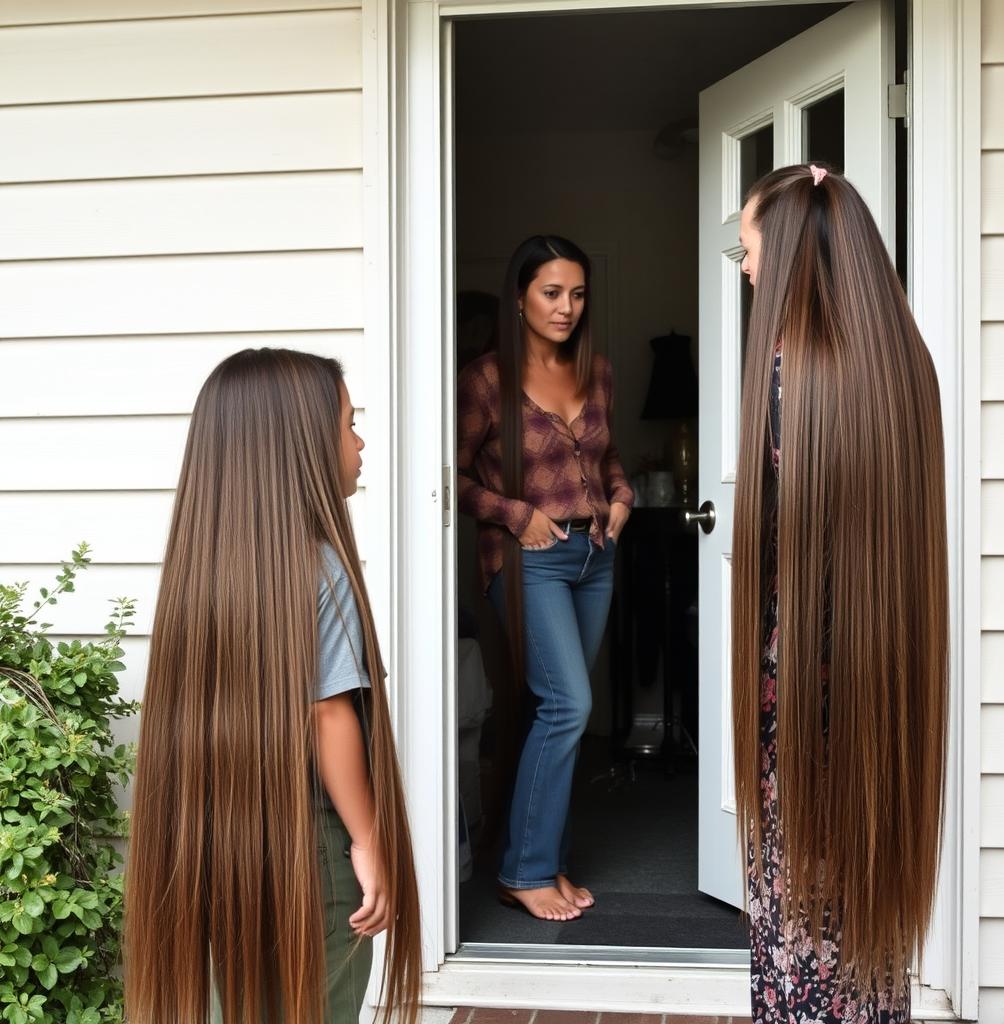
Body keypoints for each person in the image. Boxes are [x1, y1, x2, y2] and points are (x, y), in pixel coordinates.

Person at [123, 349, 422, 1024]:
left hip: (227, 844)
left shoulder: (203, 574)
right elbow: (326, 712)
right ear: (301, 445)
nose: (360, 441)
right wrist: (370, 843)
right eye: (349, 423)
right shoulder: (320, 567)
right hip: (311, 851)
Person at [732, 164, 948, 1022]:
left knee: (799, 935)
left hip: (804, 714)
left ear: (785, 254)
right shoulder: (905, 368)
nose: (746, 271)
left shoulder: (788, 375)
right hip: (881, 690)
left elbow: (790, 564)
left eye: (748, 251)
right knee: (861, 940)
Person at [457, 235, 634, 922]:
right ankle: (522, 870)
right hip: (528, 560)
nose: (567, 307)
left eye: (578, 293)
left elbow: (608, 456)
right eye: (552, 292)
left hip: (596, 558)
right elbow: (454, 477)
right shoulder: (484, 380)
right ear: (521, 298)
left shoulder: (599, 372)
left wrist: (622, 499)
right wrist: (514, 512)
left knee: (552, 708)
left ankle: (548, 858)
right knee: (570, 707)